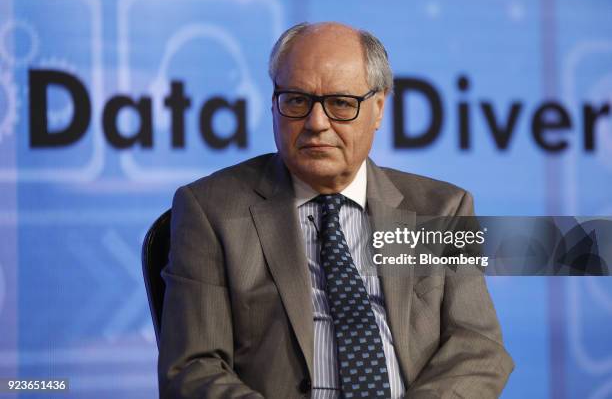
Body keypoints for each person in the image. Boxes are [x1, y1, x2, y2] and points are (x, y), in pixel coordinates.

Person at [158, 22, 514, 398]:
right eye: (296, 100)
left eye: (341, 104)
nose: (316, 123)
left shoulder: (442, 208)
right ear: (274, 103)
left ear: (378, 108)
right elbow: (193, 369)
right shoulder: (211, 210)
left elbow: (478, 348)